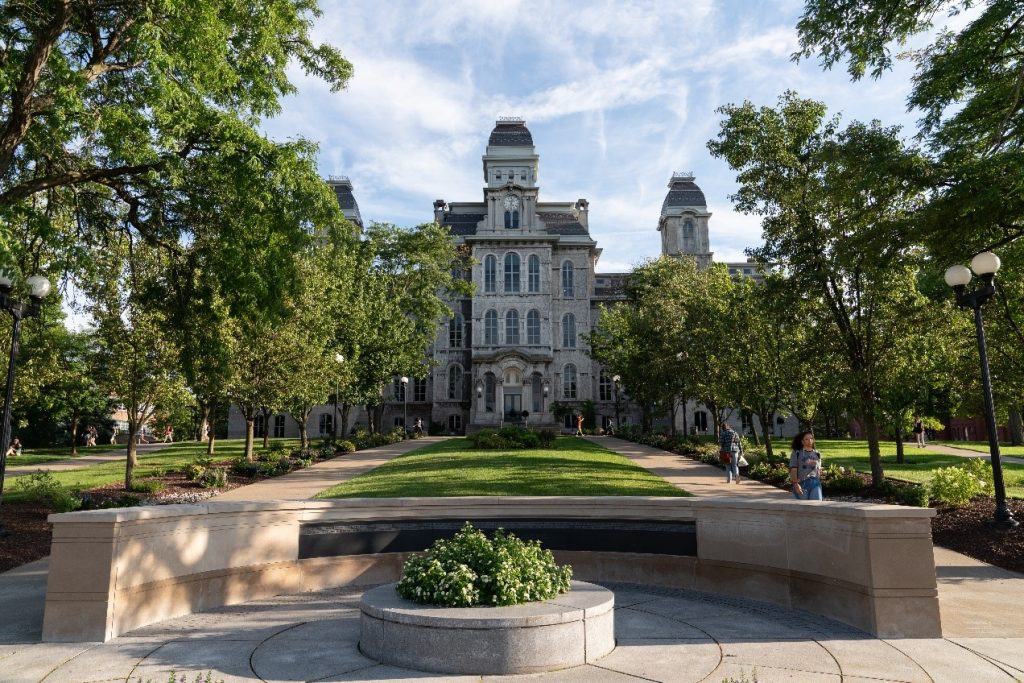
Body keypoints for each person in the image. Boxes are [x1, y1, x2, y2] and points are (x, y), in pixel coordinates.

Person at [789, 431, 823, 501]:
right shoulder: (797, 453)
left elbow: (818, 470)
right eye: (806, 439)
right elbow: (793, 469)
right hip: (802, 484)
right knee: (803, 507)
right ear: (802, 442)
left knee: (817, 506)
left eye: (811, 438)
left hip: (815, 483)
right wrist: (795, 484)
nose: (810, 441)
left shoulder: (817, 453)